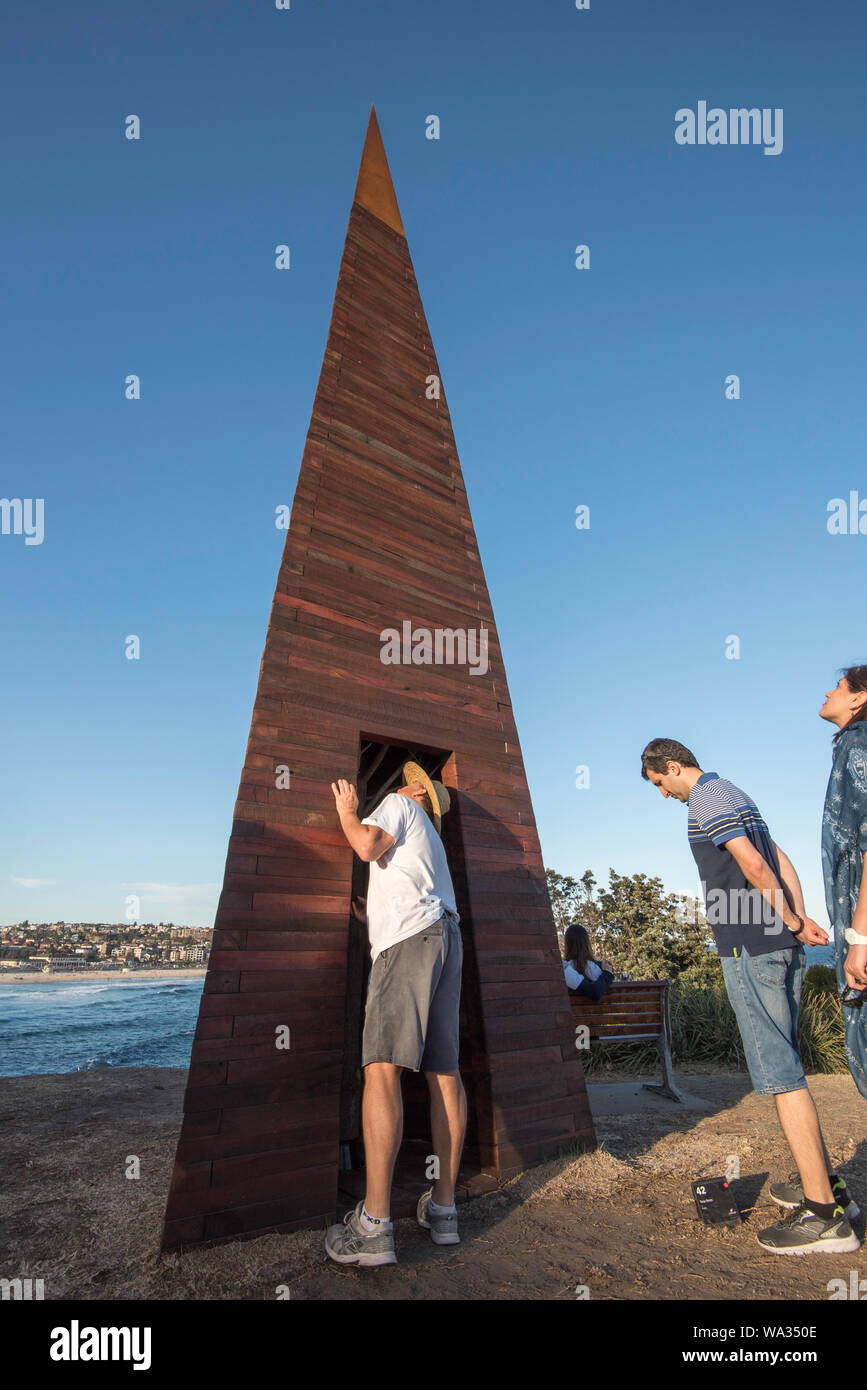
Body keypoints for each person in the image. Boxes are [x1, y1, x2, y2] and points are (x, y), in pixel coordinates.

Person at [641, 737, 859, 1256]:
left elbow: (756, 867)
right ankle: (830, 1188)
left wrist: (785, 919)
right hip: (777, 946)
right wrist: (798, 921)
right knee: (790, 1067)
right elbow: (780, 859)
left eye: (659, 784)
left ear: (673, 767)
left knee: (780, 1076)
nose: (663, 795)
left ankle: (825, 1216)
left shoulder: (704, 799)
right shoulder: (734, 792)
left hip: (749, 948)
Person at [324, 761, 466, 1267]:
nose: (403, 784)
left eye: (410, 782)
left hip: (409, 943)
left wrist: (347, 813)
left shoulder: (398, 805)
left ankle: (374, 1225)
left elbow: (364, 846)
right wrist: (372, 916)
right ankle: (444, 1211)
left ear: (418, 791)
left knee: (381, 1069)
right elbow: (408, 888)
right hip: (447, 939)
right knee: (444, 1074)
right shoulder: (433, 842)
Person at [819, 666, 867, 1099]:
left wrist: (859, 938)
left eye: (838, 686)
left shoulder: (858, 745)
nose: (827, 691)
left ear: (858, 698)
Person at [562, 922, 613, 1001]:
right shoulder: (599, 968)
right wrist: (608, 974)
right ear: (586, 943)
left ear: (567, 945)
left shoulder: (565, 969)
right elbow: (595, 992)